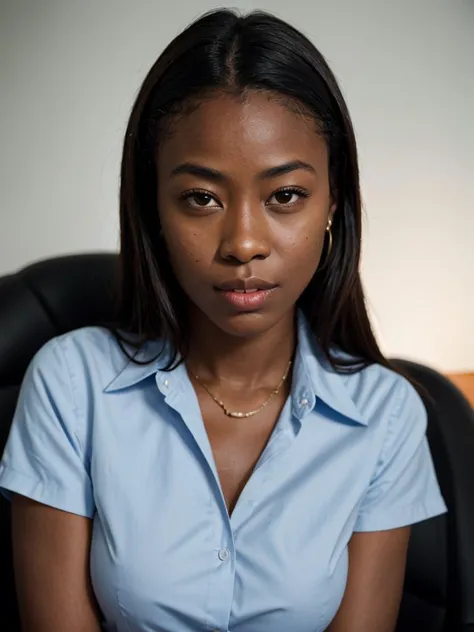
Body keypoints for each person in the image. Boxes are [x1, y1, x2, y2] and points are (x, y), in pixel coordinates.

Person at [0, 9, 447, 632]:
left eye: (284, 195)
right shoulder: (71, 386)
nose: (242, 243)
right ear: (152, 205)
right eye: (201, 198)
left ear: (332, 204)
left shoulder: (387, 415)